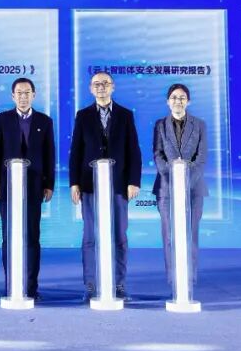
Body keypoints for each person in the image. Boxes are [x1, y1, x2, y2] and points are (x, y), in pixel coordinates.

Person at [68, 71, 142, 301]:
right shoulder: (83, 116)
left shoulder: (125, 115)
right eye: (96, 84)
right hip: (89, 185)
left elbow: (133, 150)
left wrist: (133, 181)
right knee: (90, 236)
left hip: (118, 185)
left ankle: (119, 284)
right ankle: (91, 284)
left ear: (113, 87)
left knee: (119, 235)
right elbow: (76, 151)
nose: (101, 87)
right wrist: (74, 183)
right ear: (91, 89)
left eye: (105, 83)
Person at [0, 77, 55, 301]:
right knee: (9, 236)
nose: (23, 97)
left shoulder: (45, 121)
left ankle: (31, 286)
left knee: (32, 236)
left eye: (27, 93)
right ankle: (12, 283)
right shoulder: (2, 119)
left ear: (33, 95)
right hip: (8, 186)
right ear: (12, 96)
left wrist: (49, 184)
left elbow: (49, 154)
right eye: (19, 93)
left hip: (35, 186)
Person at [153, 82, 208, 289]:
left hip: (194, 188)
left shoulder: (199, 125)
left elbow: (201, 158)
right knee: (169, 235)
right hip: (166, 187)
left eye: (182, 97)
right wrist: (172, 177)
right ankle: (173, 280)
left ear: (188, 101)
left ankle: (189, 279)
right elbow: (158, 155)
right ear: (168, 102)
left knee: (190, 235)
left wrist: (185, 181)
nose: (178, 101)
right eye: (174, 97)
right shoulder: (160, 125)